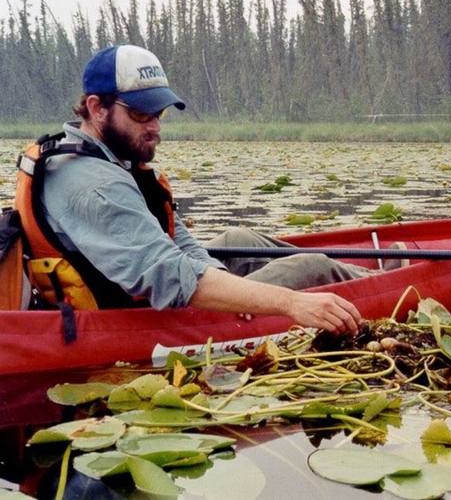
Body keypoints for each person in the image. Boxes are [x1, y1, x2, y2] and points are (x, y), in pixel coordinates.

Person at [15, 45, 363, 334]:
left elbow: (178, 241)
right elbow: (170, 275)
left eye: (159, 113)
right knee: (311, 267)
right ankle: (396, 284)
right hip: (129, 320)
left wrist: (234, 291)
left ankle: (382, 267)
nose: (153, 127)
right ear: (97, 108)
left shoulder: (108, 158)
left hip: (139, 289)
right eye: (140, 114)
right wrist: (290, 303)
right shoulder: (95, 185)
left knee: (240, 240)